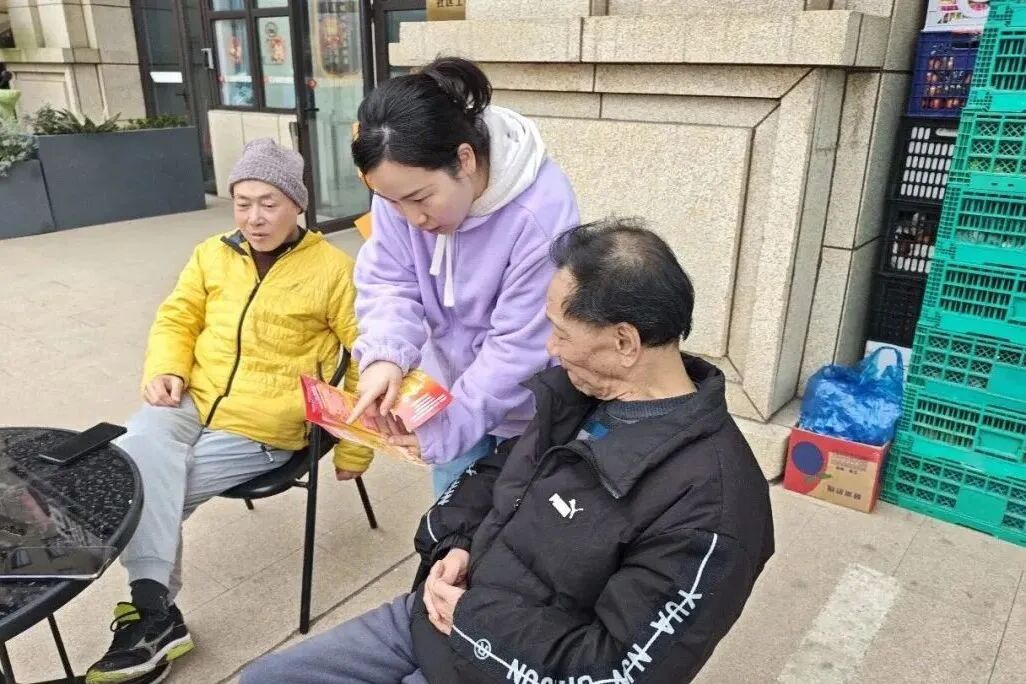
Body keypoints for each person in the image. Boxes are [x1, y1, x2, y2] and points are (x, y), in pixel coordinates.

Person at [242, 218, 775, 684]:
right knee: (265, 678)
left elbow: (617, 671)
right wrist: (457, 544)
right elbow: (497, 472)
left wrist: (475, 621)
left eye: (561, 333)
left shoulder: (713, 506)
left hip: (501, 661)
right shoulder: (578, 398)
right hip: (433, 618)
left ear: (624, 342)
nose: (549, 348)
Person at [85, 139, 372, 683]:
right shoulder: (211, 254)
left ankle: (150, 615)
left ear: (297, 204)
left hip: (264, 425)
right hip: (192, 396)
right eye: (242, 203)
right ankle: (156, 615)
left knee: (152, 490)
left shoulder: (334, 270)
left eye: (268, 203)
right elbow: (178, 318)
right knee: (133, 455)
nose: (254, 217)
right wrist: (165, 367)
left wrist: (356, 446)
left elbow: (366, 357)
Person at [347, 56, 579, 496]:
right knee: (451, 520)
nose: (411, 218)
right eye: (392, 203)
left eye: (421, 199)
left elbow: (519, 346)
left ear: (465, 159)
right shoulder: (399, 187)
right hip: (444, 394)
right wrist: (385, 354)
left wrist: (449, 427)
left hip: (527, 408)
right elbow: (389, 280)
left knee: (513, 521)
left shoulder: (540, 214)